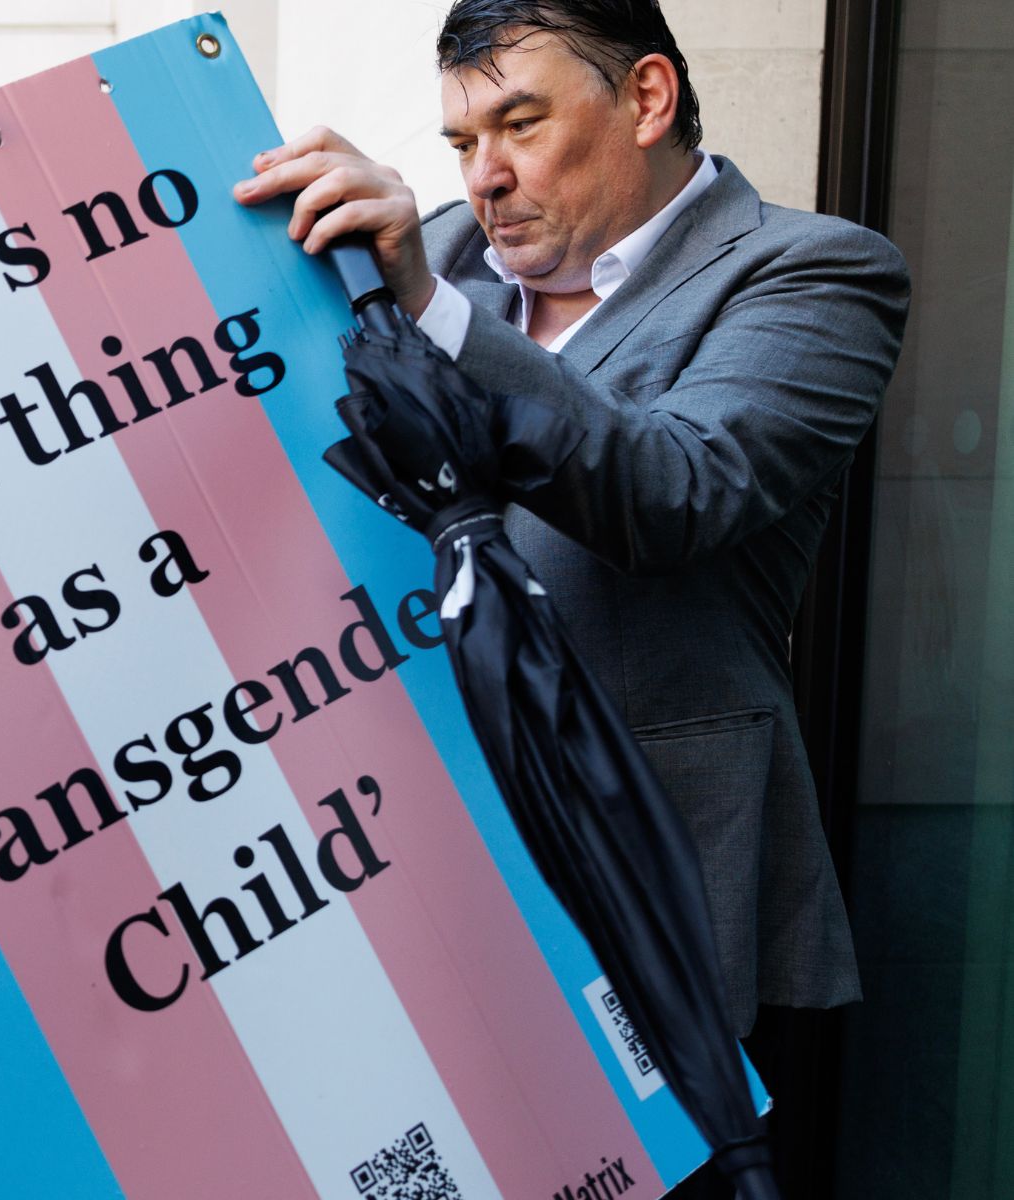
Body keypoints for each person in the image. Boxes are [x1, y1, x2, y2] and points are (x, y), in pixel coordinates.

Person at [234, 0, 907, 1188]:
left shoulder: (813, 272)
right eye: (457, 144)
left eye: (520, 124)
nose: (483, 178)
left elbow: (674, 490)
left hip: (654, 892)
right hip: (407, 875)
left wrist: (431, 316)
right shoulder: (426, 251)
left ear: (645, 99)